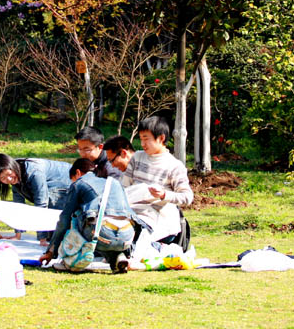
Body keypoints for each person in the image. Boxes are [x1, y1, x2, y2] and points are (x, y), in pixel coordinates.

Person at [39, 158, 141, 273]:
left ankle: (71, 261)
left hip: (102, 234)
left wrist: (51, 251)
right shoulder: (114, 182)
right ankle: (118, 257)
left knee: (77, 215)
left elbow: (64, 220)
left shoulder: (79, 183)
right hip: (127, 236)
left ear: (77, 173)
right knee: (106, 225)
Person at [122, 116, 193, 245]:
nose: (142, 144)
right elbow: (124, 187)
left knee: (131, 239)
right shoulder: (137, 157)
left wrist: (164, 195)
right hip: (131, 215)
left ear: (161, 138)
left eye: (146, 139)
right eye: (141, 139)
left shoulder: (174, 166)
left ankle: (158, 248)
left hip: (160, 222)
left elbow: (187, 197)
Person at [0, 153, 71, 243]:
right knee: (50, 237)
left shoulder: (34, 173)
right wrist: (17, 235)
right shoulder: (16, 175)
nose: (8, 179)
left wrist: (42, 238)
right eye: (3, 178)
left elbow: (41, 204)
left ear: (12, 167)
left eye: (8, 174)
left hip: (67, 184)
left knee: (57, 238)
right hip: (54, 188)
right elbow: (18, 206)